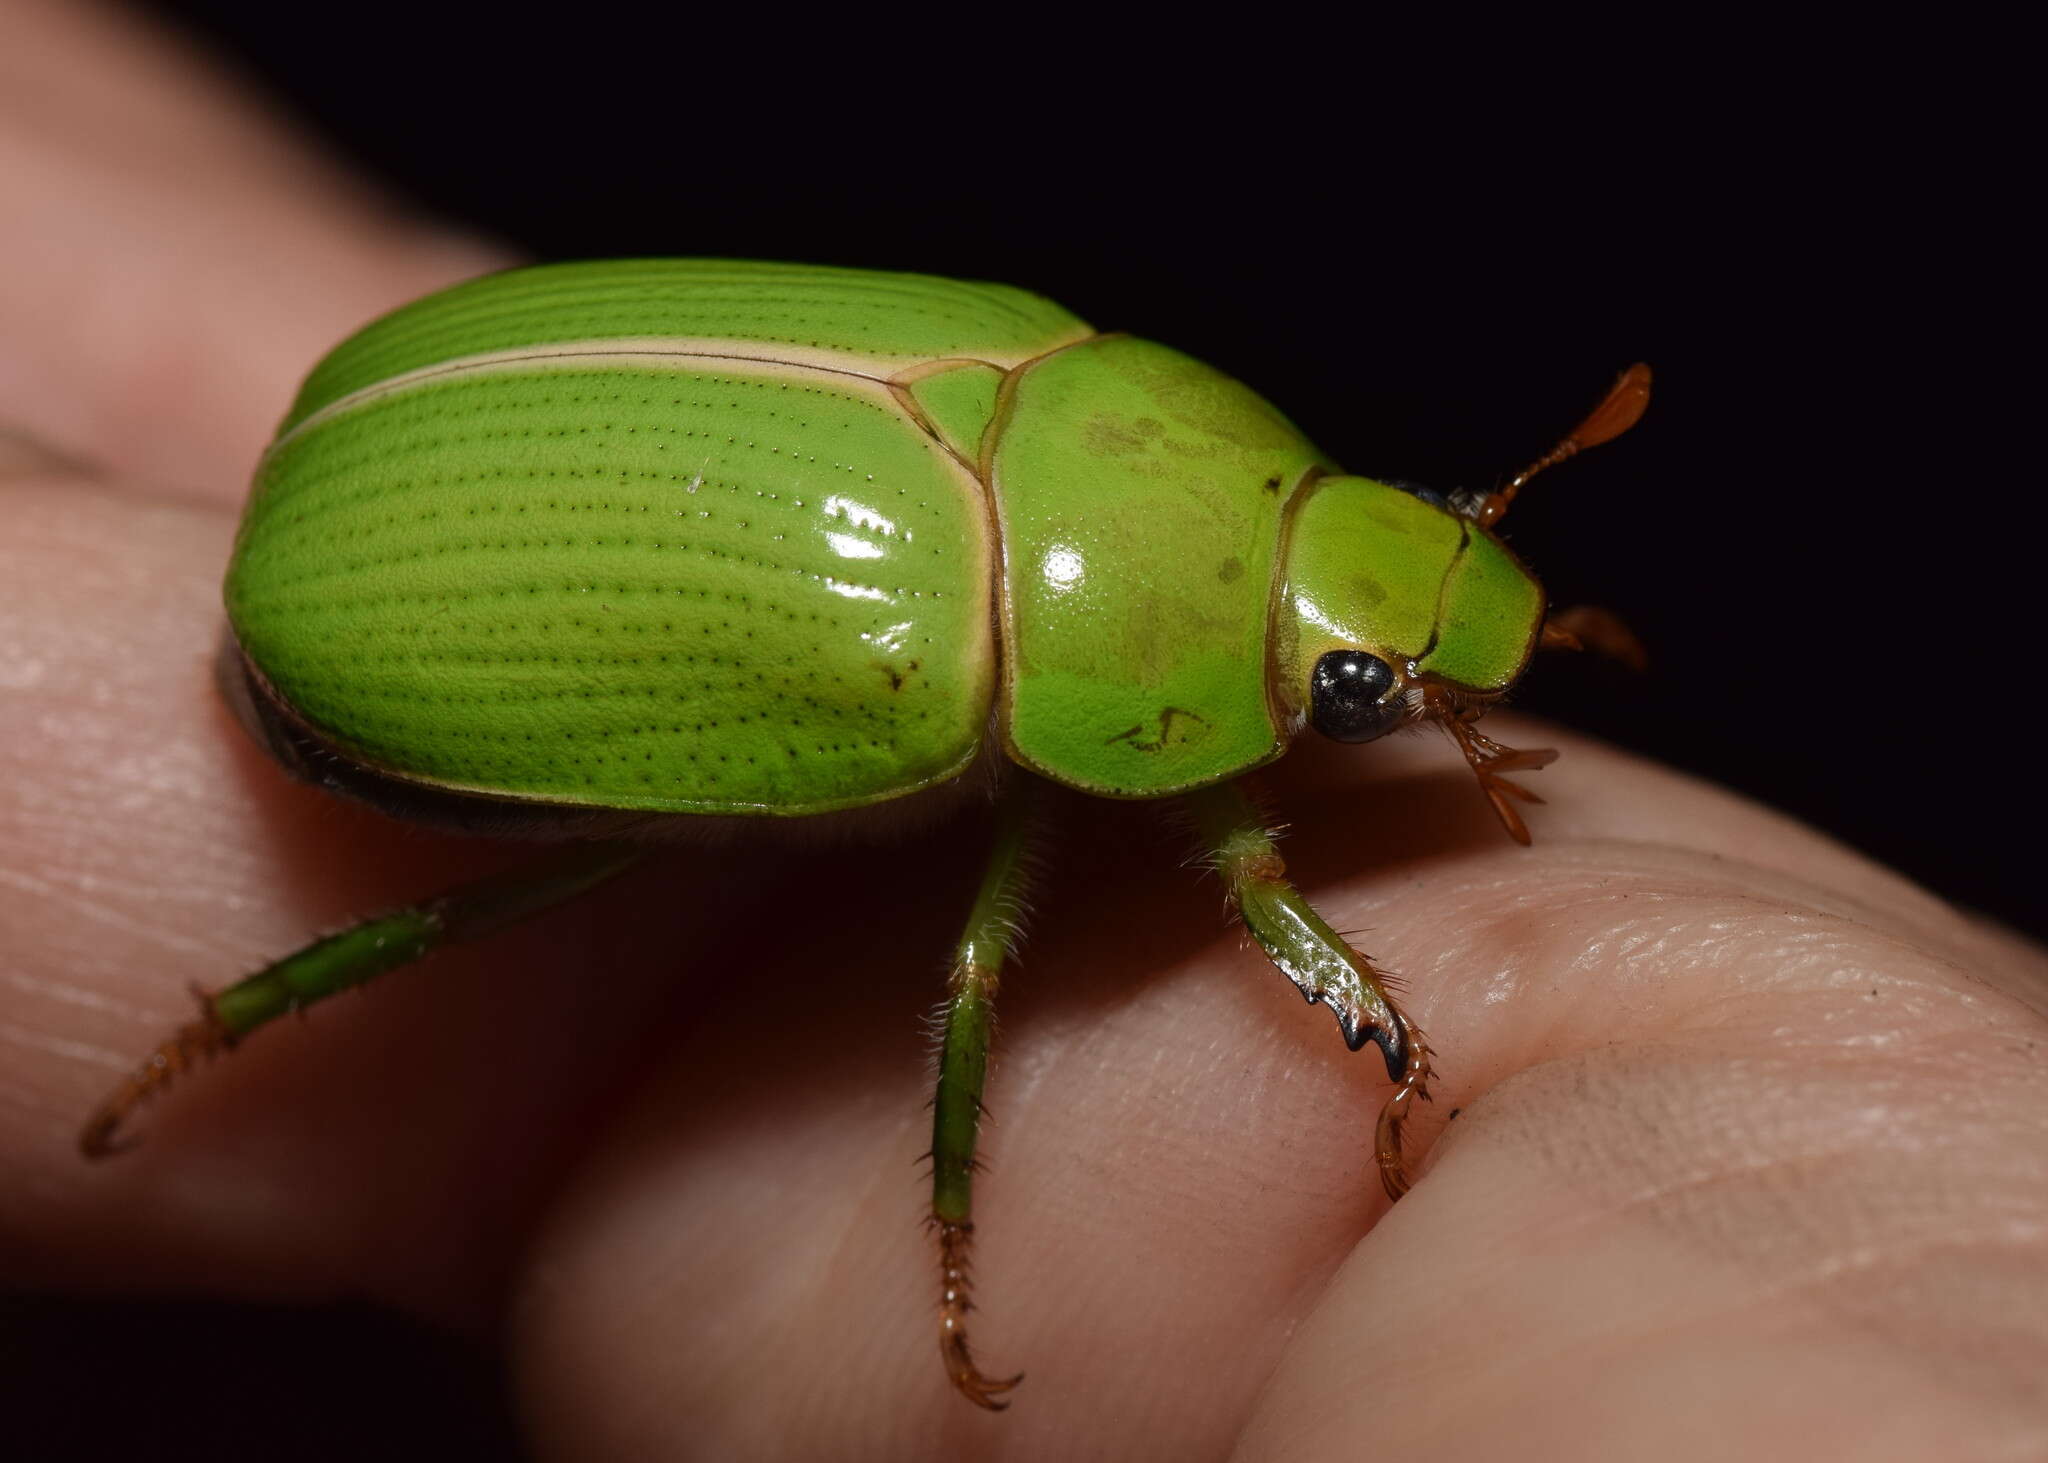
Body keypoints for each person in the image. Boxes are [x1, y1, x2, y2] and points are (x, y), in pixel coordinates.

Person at [3, 2, 2045, 1456]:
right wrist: (1345, 1003)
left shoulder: (1054, 357)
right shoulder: (938, 662)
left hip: (458, 382)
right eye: (1360, 683)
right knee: (565, 911)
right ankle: (231, 1021)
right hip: (409, 604)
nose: (1380, 698)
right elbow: (1159, 896)